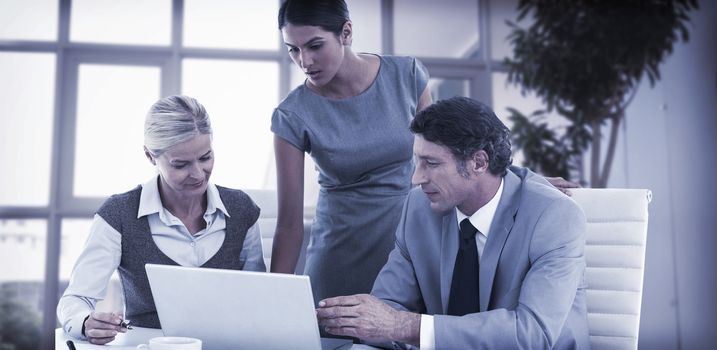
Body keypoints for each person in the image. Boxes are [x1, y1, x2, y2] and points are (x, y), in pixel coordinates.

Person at [317, 97, 590, 349]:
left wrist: (405, 326)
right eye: (417, 162)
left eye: (431, 163)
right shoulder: (418, 209)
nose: (416, 178)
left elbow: (533, 333)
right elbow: (389, 309)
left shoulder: (553, 216)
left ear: (479, 163)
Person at [57, 95, 266, 345]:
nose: (198, 174)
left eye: (205, 157)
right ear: (150, 156)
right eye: (181, 164)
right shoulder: (119, 214)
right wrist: (85, 321)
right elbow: (75, 299)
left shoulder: (242, 210)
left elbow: (257, 298)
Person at [270, 0, 433, 305]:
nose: (304, 61)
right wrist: (273, 303)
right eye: (293, 49)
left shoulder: (407, 76)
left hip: (409, 251)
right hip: (340, 258)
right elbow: (289, 224)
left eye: (314, 45)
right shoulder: (292, 115)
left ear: (346, 33)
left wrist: (517, 183)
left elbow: (443, 161)